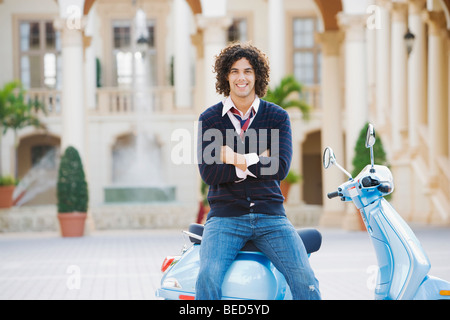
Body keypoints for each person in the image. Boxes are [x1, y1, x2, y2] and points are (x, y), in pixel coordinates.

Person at [196, 42, 320, 300]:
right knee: (207, 277)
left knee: (305, 279)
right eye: (234, 71)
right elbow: (209, 173)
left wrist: (233, 158)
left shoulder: (277, 117)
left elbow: (280, 166)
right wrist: (257, 161)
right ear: (225, 77)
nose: (241, 77)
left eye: (248, 71)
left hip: (271, 216)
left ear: (257, 76)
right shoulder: (209, 119)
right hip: (224, 217)